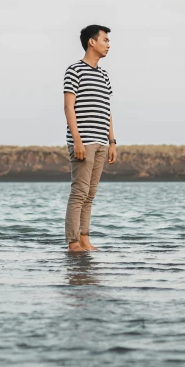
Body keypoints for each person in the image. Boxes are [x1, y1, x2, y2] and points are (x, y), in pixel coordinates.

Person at [63, 24, 117, 252]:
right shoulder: (74, 70)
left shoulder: (104, 74)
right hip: (83, 141)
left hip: (102, 141)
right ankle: (73, 242)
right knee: (79, 192)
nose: (108, 44)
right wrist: (77, 140)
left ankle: (85, 239)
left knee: (90, 194)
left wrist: (112, 141)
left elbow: (107, 108)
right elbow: (68, 107)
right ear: (91, 42)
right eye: (105, 40)